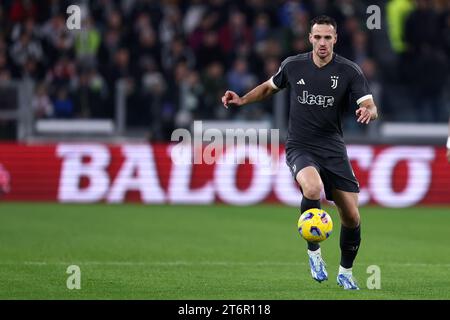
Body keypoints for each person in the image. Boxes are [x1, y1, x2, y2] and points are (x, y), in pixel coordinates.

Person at [221, 15, 378, 290]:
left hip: (333, 148)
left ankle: (346, 271)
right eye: (317, 37)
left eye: (327, 37)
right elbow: (269, 88)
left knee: (352, 216)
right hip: (301, 146)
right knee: (313, 188)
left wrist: (369, 111)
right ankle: (314, 252)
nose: (322, 43)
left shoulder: (349, 71)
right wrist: (243, 99)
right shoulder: (293, 66)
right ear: (310, 38)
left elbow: (370, 104)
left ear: (335, 39)